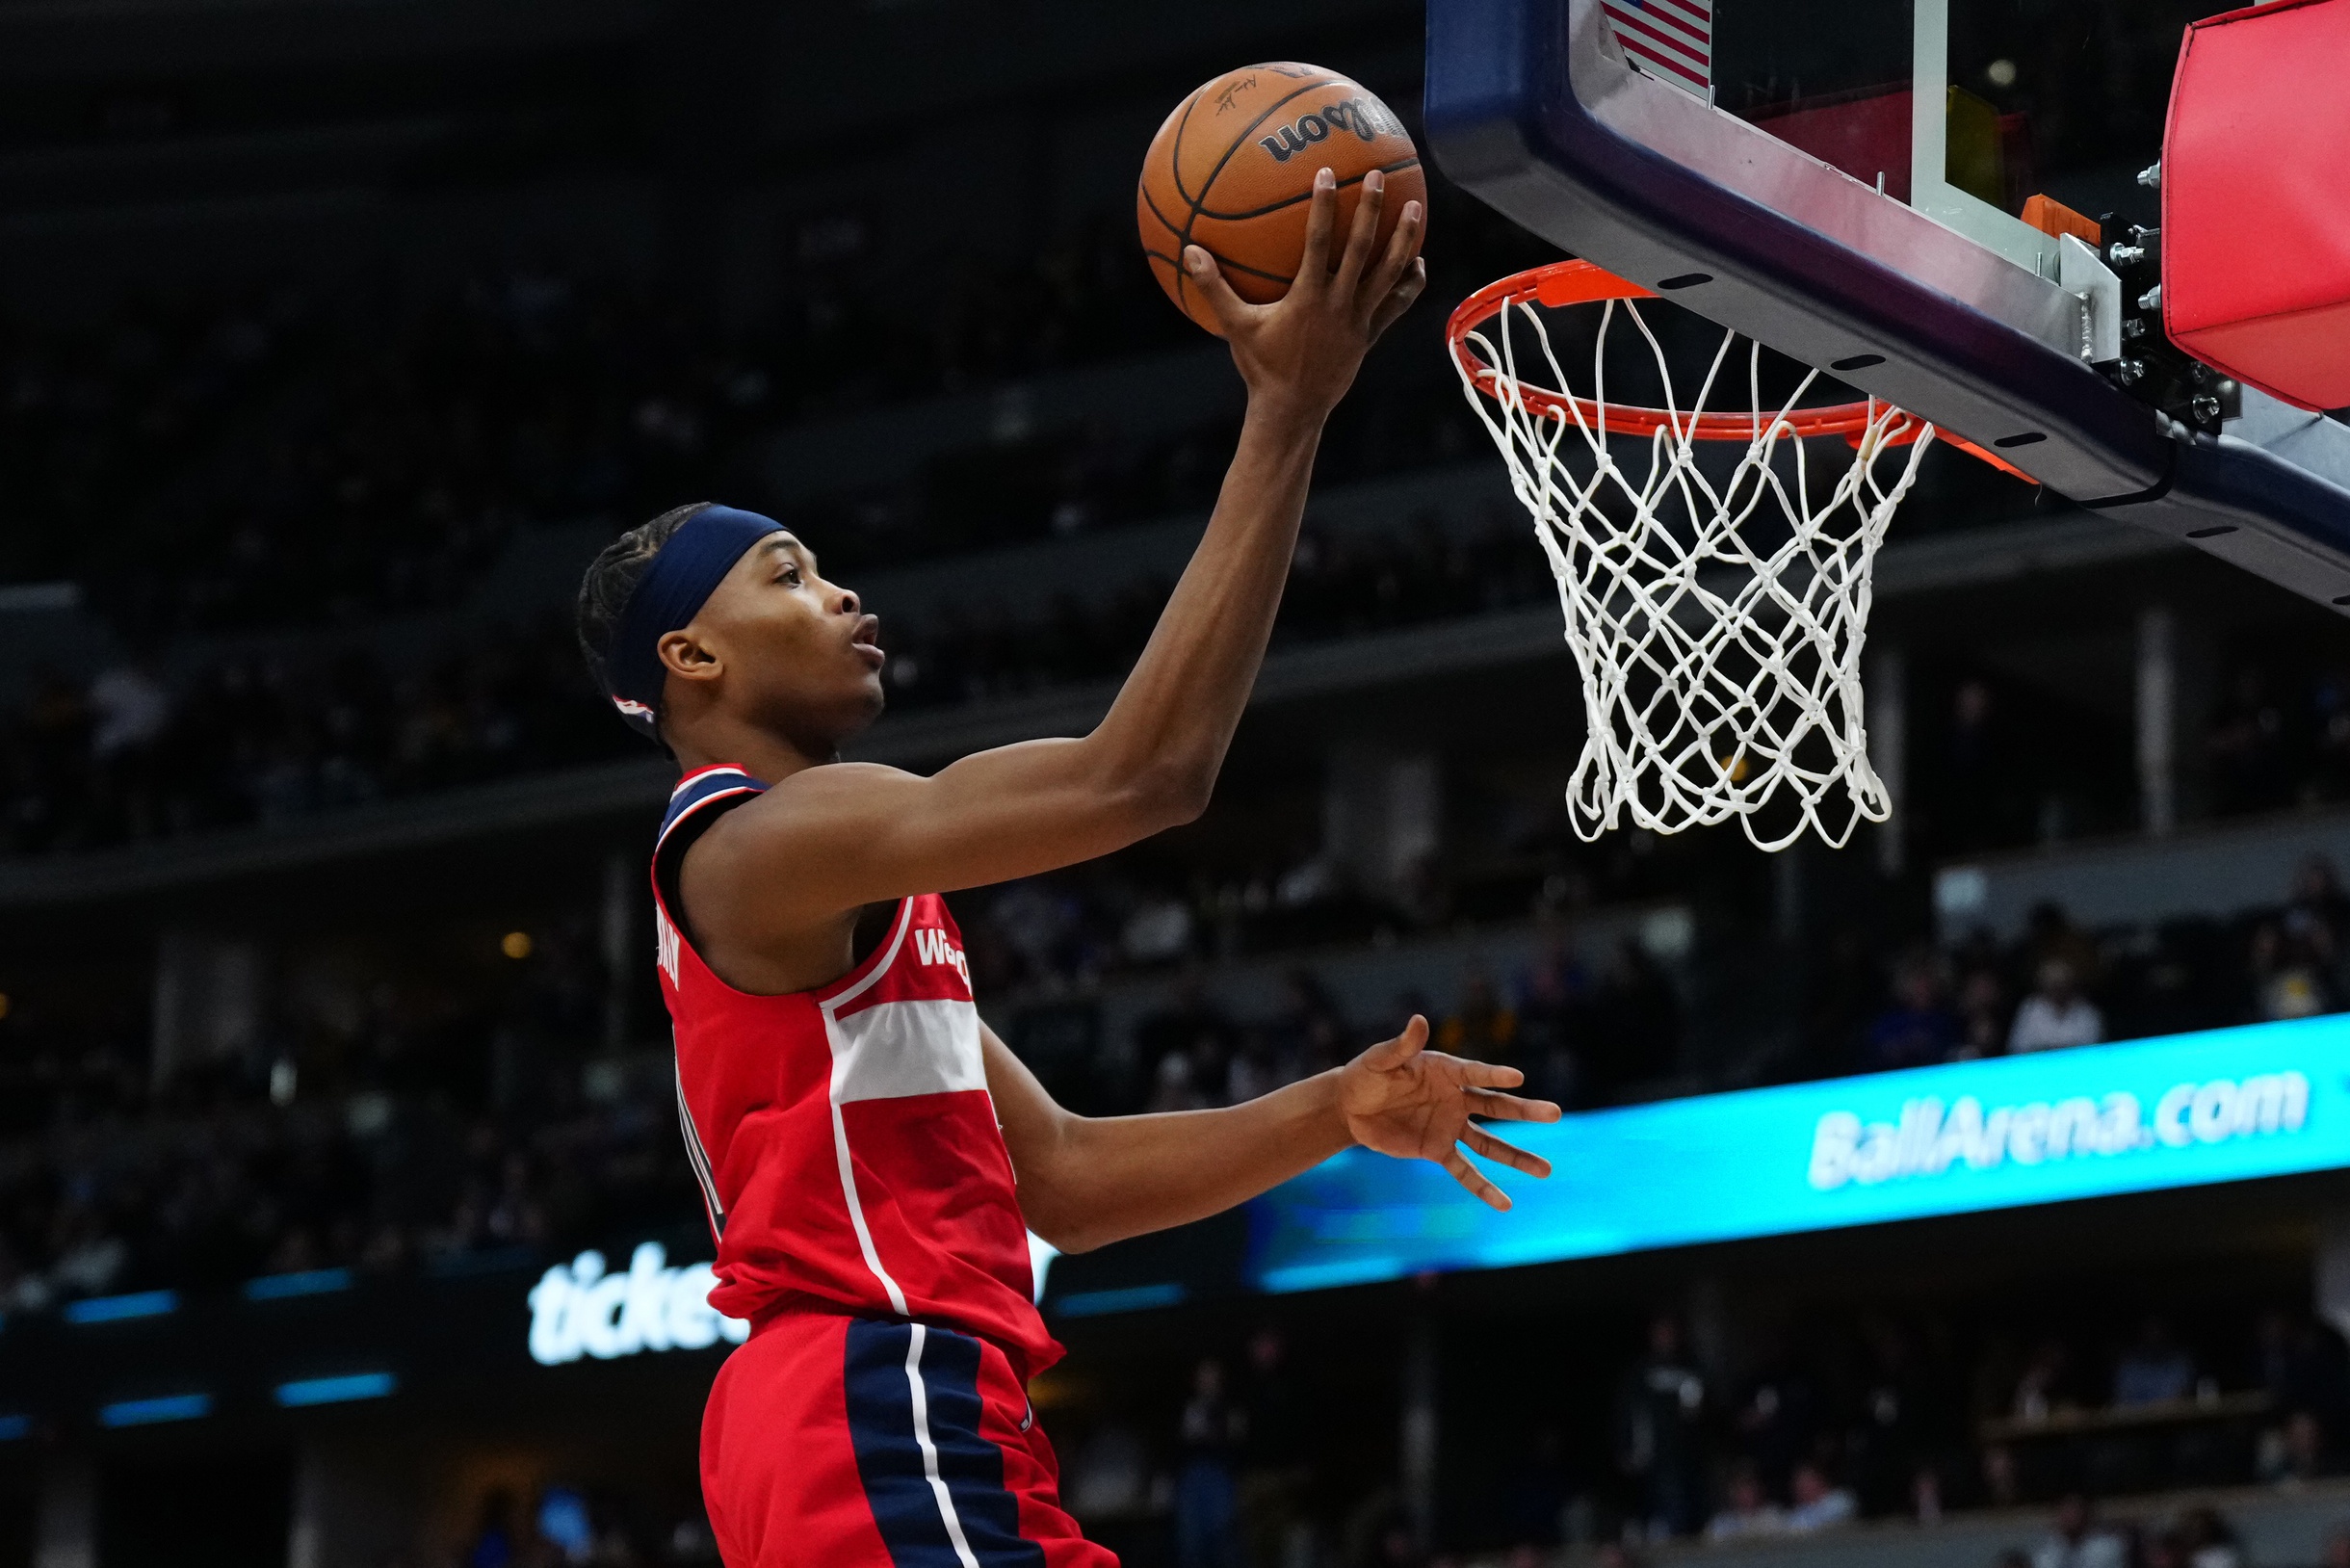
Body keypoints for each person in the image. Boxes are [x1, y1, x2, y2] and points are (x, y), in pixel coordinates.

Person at [577, 176, 1555, 1567]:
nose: (845, 595)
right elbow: (1140, 779)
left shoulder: (839, 899)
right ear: (693, 658)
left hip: (855, 1409)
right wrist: (1288, 413)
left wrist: (1333, 1108)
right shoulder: (760, 840)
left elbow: (1071, 1184)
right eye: (788, 577)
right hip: (871, 1393)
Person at [2009, 959, 2102, 1053]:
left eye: (2062, 984)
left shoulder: (2086, 1011)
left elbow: (2094, 1047)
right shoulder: (2030, 1009)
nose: (2058, 990)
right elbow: (2018, 1046)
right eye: (2053, 985)